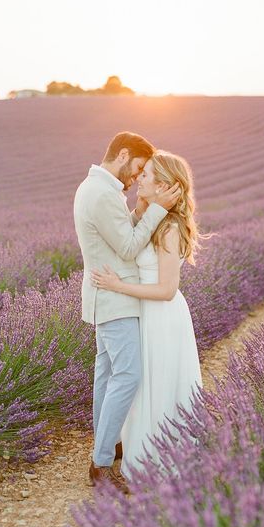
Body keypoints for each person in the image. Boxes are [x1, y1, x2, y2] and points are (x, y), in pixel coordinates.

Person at [73, 132, 180, 494]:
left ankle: (110, 445)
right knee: (128, 376)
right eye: (136, 168)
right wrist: (158, 210)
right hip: (115, 301)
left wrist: (137, 211)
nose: (137, 178)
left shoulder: (98, 189)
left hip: (105, 299)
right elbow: (130, 247)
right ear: (122, 155)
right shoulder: (102, 193)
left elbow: (117, 234)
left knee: (106, 375)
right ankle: (102, 463)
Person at [91, 150, 203, 482]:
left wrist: (117, 286)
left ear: (164, 185)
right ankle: (134, 449)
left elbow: (166, 289)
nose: (140, 178)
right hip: (147, 314)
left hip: (163, 316)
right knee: (144, 386)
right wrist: (142, 208)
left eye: (147, 175)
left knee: (159, 386)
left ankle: (160, 459)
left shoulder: (169, 227)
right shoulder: (153, 219)